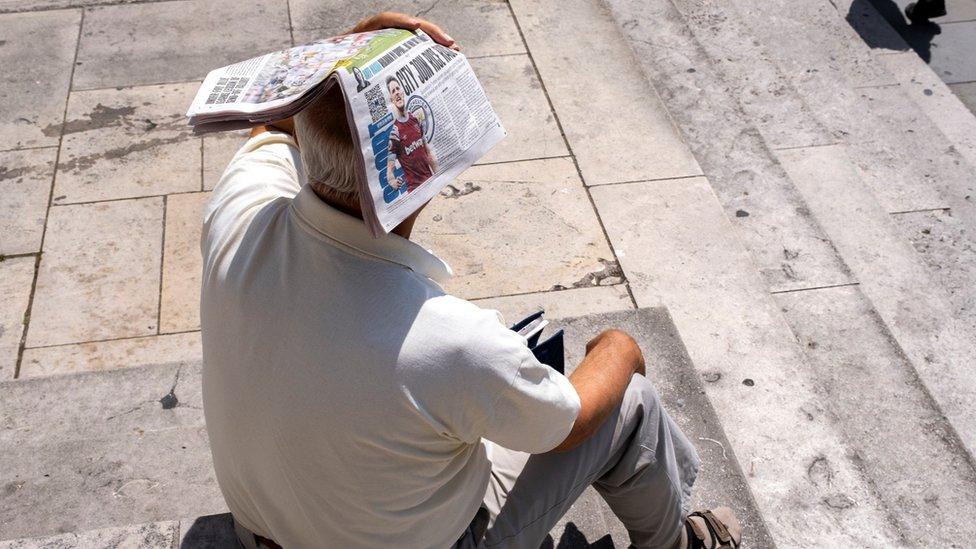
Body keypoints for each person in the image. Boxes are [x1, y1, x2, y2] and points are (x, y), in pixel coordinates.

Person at [200, 11, 742, 549]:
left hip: (265, 533)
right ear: (417, 175)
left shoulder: (240, 209)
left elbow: (273, 124)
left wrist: (353, 51)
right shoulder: (448, 339)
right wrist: (619, 349)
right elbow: (568, 424)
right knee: (632, 402)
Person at [386, 74, 439, 192]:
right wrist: (392, 182)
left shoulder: (415, 118)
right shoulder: (395, 132)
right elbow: (390, 169)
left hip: (431, 182)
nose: (397, 93)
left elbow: (428, 152)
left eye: (398, 89)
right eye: (393, 91)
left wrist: (440, 177)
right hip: (415, 190)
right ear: (391, 99)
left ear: (403, 92)